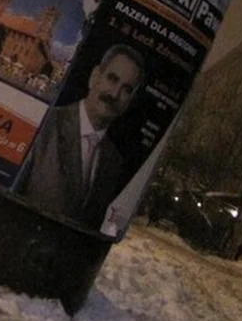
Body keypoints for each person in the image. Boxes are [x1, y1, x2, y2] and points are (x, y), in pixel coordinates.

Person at [14, 43, 145, 229]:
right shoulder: (45, 124)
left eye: (126, 89)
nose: (115, 94)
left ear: (131, 101)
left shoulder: (114, 161)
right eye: (112, 79)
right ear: (95, 77)